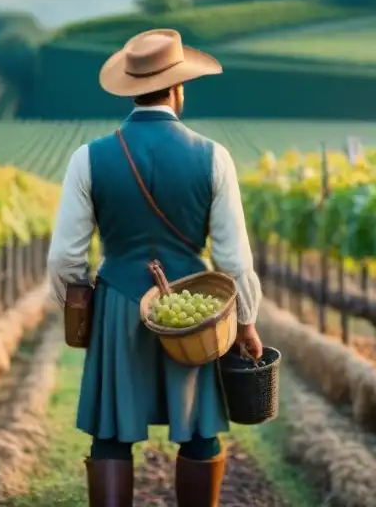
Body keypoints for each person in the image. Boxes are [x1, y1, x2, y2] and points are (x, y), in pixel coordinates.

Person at [48, 28, 265, 507]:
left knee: (111, 433)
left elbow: (65, 257)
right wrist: (246, 320)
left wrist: (80, 310)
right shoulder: (214, 157)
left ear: (130, 87)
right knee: (200, 431)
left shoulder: (88, 158)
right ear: (178, 87)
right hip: (198, 313)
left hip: (117, 304)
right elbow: (233, 258)